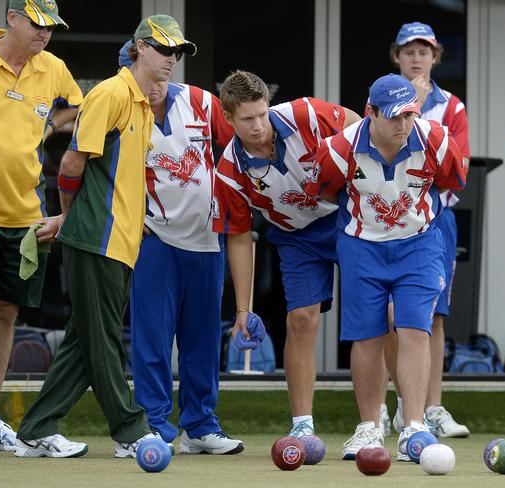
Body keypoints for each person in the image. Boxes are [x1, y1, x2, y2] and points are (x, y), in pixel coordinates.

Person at [14, 14, 196, 458]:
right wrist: (67, 218)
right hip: (96, 239)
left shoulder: (138, 104)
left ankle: (35, 429)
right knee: (105, 341)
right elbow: (72, 166)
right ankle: (131, 430)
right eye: (163, 48)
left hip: (117, 242)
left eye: (176, 51)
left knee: (85, 341)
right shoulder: (111, 93)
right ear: (139, 48)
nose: (171, 58)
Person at [306, 74, 467, 460]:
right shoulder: (338, 147)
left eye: (409, 115)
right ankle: (368, 429)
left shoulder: (437, 138)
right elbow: (326, 188)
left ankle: (414, 428)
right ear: (371, 113)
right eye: (393, 116)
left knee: (414, 327)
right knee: (367, 335)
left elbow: (453, 179)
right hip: (362, 246)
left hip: (420, 243)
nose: (403, 125)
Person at [213, 70, 360, 438]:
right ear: (228, 118)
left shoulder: (306, 113)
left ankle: (391, 415)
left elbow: (359, 126)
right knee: (300, 320)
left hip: (345, 217)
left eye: (262, 114)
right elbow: (240, 238)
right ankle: (302, 426)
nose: (259, 125)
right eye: (247, 119)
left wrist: (356, 183)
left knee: (377, 314)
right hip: (296, 237)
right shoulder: (229, 172)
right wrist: (243, 310)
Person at [117, 41, 244, 455]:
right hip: (154, 240)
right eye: (147, 77)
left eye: (163, 74)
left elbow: (241, 138)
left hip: (207, 241)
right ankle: (152, 424)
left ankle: (201, 426)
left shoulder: (199, 101)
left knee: (203, 341)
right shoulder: (119, 109)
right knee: (152, 339)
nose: (156, 84)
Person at [0, 0, 82, 452]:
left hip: (24, 214)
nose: (44, 34)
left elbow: (84, 111)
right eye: (37, 24)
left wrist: (54, 123)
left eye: (51, 27)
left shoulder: (53, 68)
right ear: (12, 19)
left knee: (4, 311)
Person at [377, 21, 471, 439]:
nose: (417, 59)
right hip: (384, 217)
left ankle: (431, 408)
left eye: (424, 52)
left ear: (436, 57)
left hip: (434, 219)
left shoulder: (452, 106)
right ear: (396, 56)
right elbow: (372, 156)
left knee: (432, 317)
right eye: (409, 52)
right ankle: (386, 407)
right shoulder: (379, 98)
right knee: (383, 314)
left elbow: (458, 173)